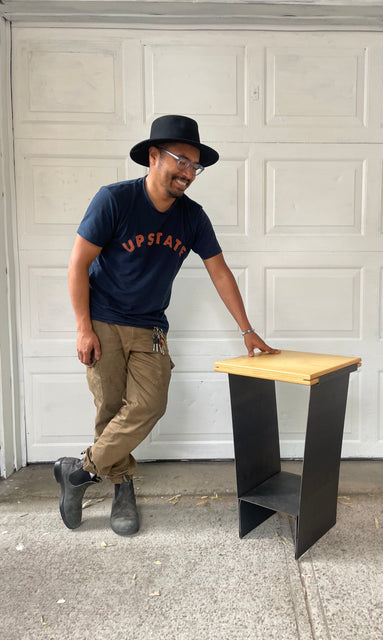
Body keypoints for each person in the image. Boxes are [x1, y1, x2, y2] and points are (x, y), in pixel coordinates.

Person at [54, 115, 279, 536]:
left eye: (196, 166)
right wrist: (83, 327)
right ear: (154, 156)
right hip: (103, 320)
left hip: (150, 327)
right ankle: (121, 487)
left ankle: (78, 472)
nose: (189, 173)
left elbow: (220, 272)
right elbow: (78, 264)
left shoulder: (192, 217)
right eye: (182, 161)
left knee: (148, 405)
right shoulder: (115, 200)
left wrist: (246, 329)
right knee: (109, 408)